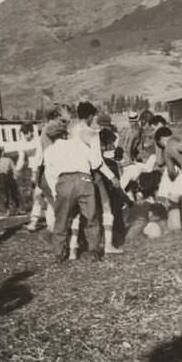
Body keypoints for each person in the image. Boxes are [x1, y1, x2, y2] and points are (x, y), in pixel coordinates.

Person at [47, 107, 121, 263]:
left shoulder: (51, 150)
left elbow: (50, 174)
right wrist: (112, 177)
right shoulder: (78, 144)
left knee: (62, 219)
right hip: (84, 181)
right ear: (66, 134)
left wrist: (56, 191)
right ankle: (93, 251)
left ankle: (59, 253)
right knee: (91, 217)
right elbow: (97, 163)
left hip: (64, 182)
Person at [155, 125, 182, 232]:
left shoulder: (167, 150)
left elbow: (171, 172)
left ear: (162, 140)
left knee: (172, 198)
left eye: (160, 144)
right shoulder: (181, 140)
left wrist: (176, 176)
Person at [16, 122, 55, 232]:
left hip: (43, 168)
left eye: (26, 133)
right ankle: (34, 222)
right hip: (34, 171)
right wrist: (17, 170)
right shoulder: (22, 143)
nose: (25, 136)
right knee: (37, 196)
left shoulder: (39, 141)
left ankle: (50, 222)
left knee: (47, 196)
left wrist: (35, 172)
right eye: (23, 134)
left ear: (31, 132)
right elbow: (21, 159)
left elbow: (40, 157)